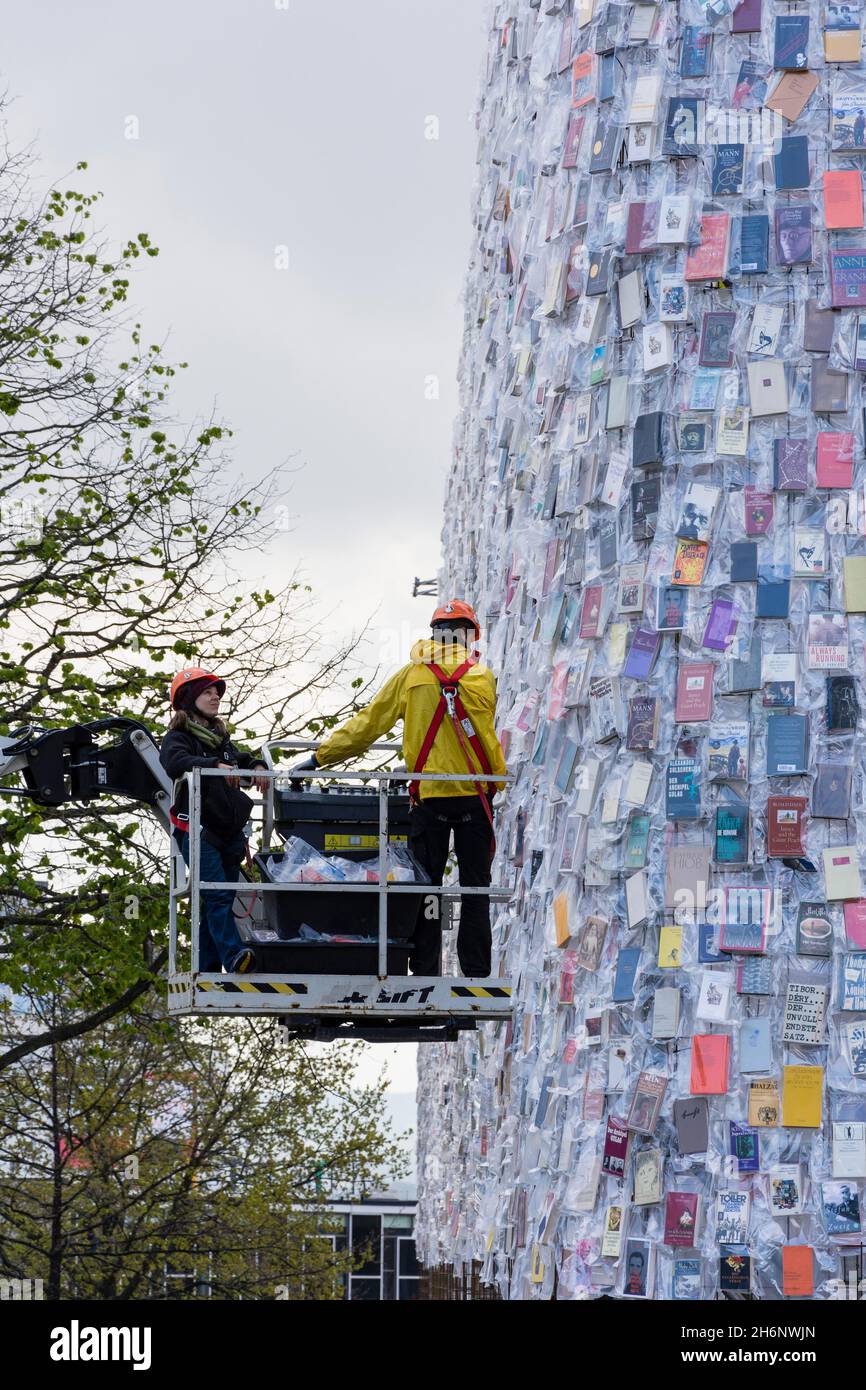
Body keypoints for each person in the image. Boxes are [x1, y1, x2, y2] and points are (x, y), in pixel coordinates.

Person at [293, 601, 507, 977]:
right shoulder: (483, 676)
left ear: (434, 633)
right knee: (476, 889)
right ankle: (476, 971)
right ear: (470, 634)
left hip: (429, 798)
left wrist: (318, 758)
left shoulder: (411, 675)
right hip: (476, 797)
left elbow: (368, 725)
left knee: (425, 888)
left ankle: (425, 970)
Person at [160, 668, 269, 974]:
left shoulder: (219, 738)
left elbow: (241, 758)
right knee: (217, 895)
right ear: (188, 699)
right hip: (198, 831)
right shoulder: (178, 737)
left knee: (218, 899)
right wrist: (213, 764)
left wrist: (257, 764)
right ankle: (234, 956)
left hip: (229, 832)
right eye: (207, 693)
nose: (215, 698)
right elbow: (173, 762)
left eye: (216, 693)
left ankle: (206, 967)